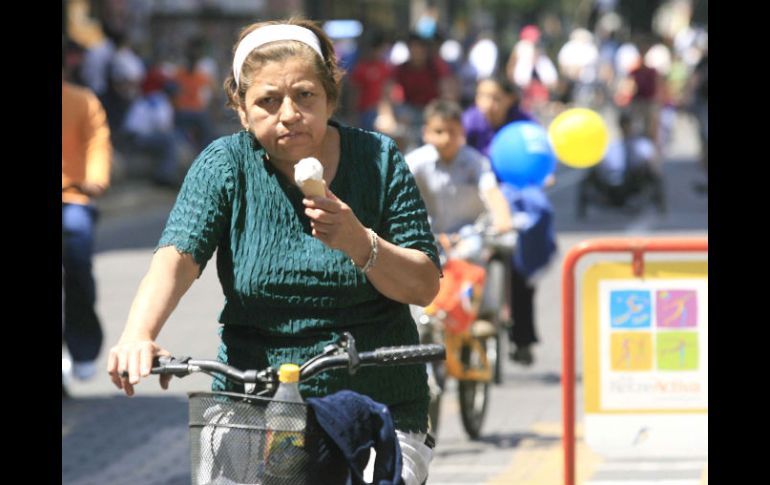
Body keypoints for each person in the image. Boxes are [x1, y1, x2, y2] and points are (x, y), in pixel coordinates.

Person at [105, 18, 441, 485]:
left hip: (377, 404)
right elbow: (176, 258)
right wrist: (138, 334)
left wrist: (358, 241)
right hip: (252, 404)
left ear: (330, 99)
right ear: (241, 110)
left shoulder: (379, 160)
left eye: (305, 95)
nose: (289, 114)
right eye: (268, 101)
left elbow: (424, 286)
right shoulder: (225, 164)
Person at [462, 75, 547, 366]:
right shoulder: (469, 123)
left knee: (522, 265)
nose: (488, 104)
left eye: (496, 97)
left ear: (510, 99)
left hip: (515, 205)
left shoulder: (525, 125)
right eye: (482, 96)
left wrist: (543, 177)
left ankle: (523, 338)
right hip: (478, 202)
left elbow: (540, 157)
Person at [62, 40, 112, 381]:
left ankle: (81, 345)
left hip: (72, 197)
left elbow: (97, 142)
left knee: (77, 248)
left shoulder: (82, 100)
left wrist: (95, 179)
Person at [405, 99, 512, 238]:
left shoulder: (475, 161)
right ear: (426, 133)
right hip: (431, 238)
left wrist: (503, 218)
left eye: (452, 131)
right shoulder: (415, 162)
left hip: (470, 237)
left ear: (462, 132)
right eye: (439, 131)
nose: (446, 138)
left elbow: (491, 190)